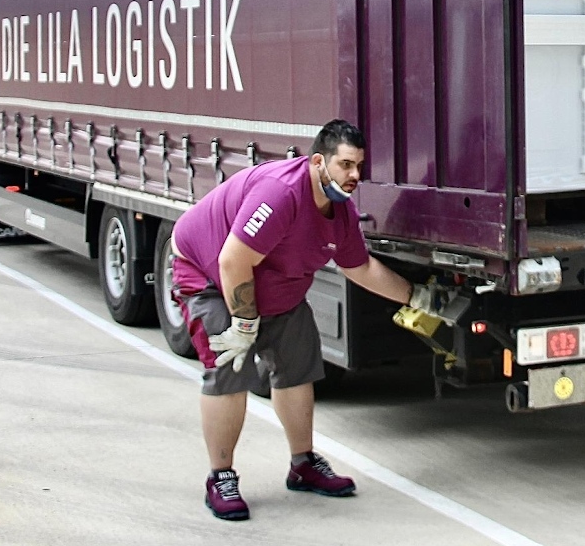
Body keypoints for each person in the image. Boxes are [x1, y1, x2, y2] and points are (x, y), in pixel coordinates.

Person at [168, 118, 411, 521]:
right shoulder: (281, 194)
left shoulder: (340, 212)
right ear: (319, 161)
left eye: (359, 167)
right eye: (346, 165)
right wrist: (244, 326)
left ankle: (303, 465)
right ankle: (221, 477)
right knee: (231, 369)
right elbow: (233, 261)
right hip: (211, 276)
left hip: (277, 288)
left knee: (298, 368)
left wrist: (415, 296)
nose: (355, 176)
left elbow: (361, 267)